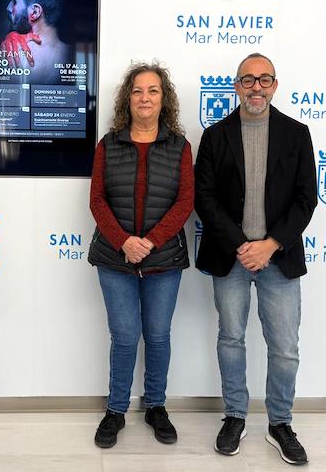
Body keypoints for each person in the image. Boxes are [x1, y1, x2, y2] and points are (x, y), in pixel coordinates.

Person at [194, 53, 317, 464]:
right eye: (248, 80)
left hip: (279, 260)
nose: (256, 87)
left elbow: (306, 199)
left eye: (264, 79)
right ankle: (234, 416)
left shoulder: (297, 134)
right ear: (236, 86)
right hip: (231, 258)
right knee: (231, 339)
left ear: (276, 85)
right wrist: (241, 245)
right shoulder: (214, 137)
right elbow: (204, 199)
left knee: (284, 348)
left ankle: (279, 423)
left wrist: (270, 244)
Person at [87, 62, 194, 449]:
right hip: (115, 260)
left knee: (159, 336)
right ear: (127, 98)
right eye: (137, 91)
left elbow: (185, 202)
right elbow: (97, 200)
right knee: (126, 336)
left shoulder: (180, 146)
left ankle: (156, 406)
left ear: (163, 99)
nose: (144, 97)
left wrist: (149, 241)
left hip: (164, 260)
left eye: (152, 91)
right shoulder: (108, 144)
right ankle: (116, 410)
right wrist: (124, 242)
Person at [0, 0, 73, 82]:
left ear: (34, 12)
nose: (8, 8)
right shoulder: (73, 55)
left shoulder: (12, 57)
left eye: (14, 1)